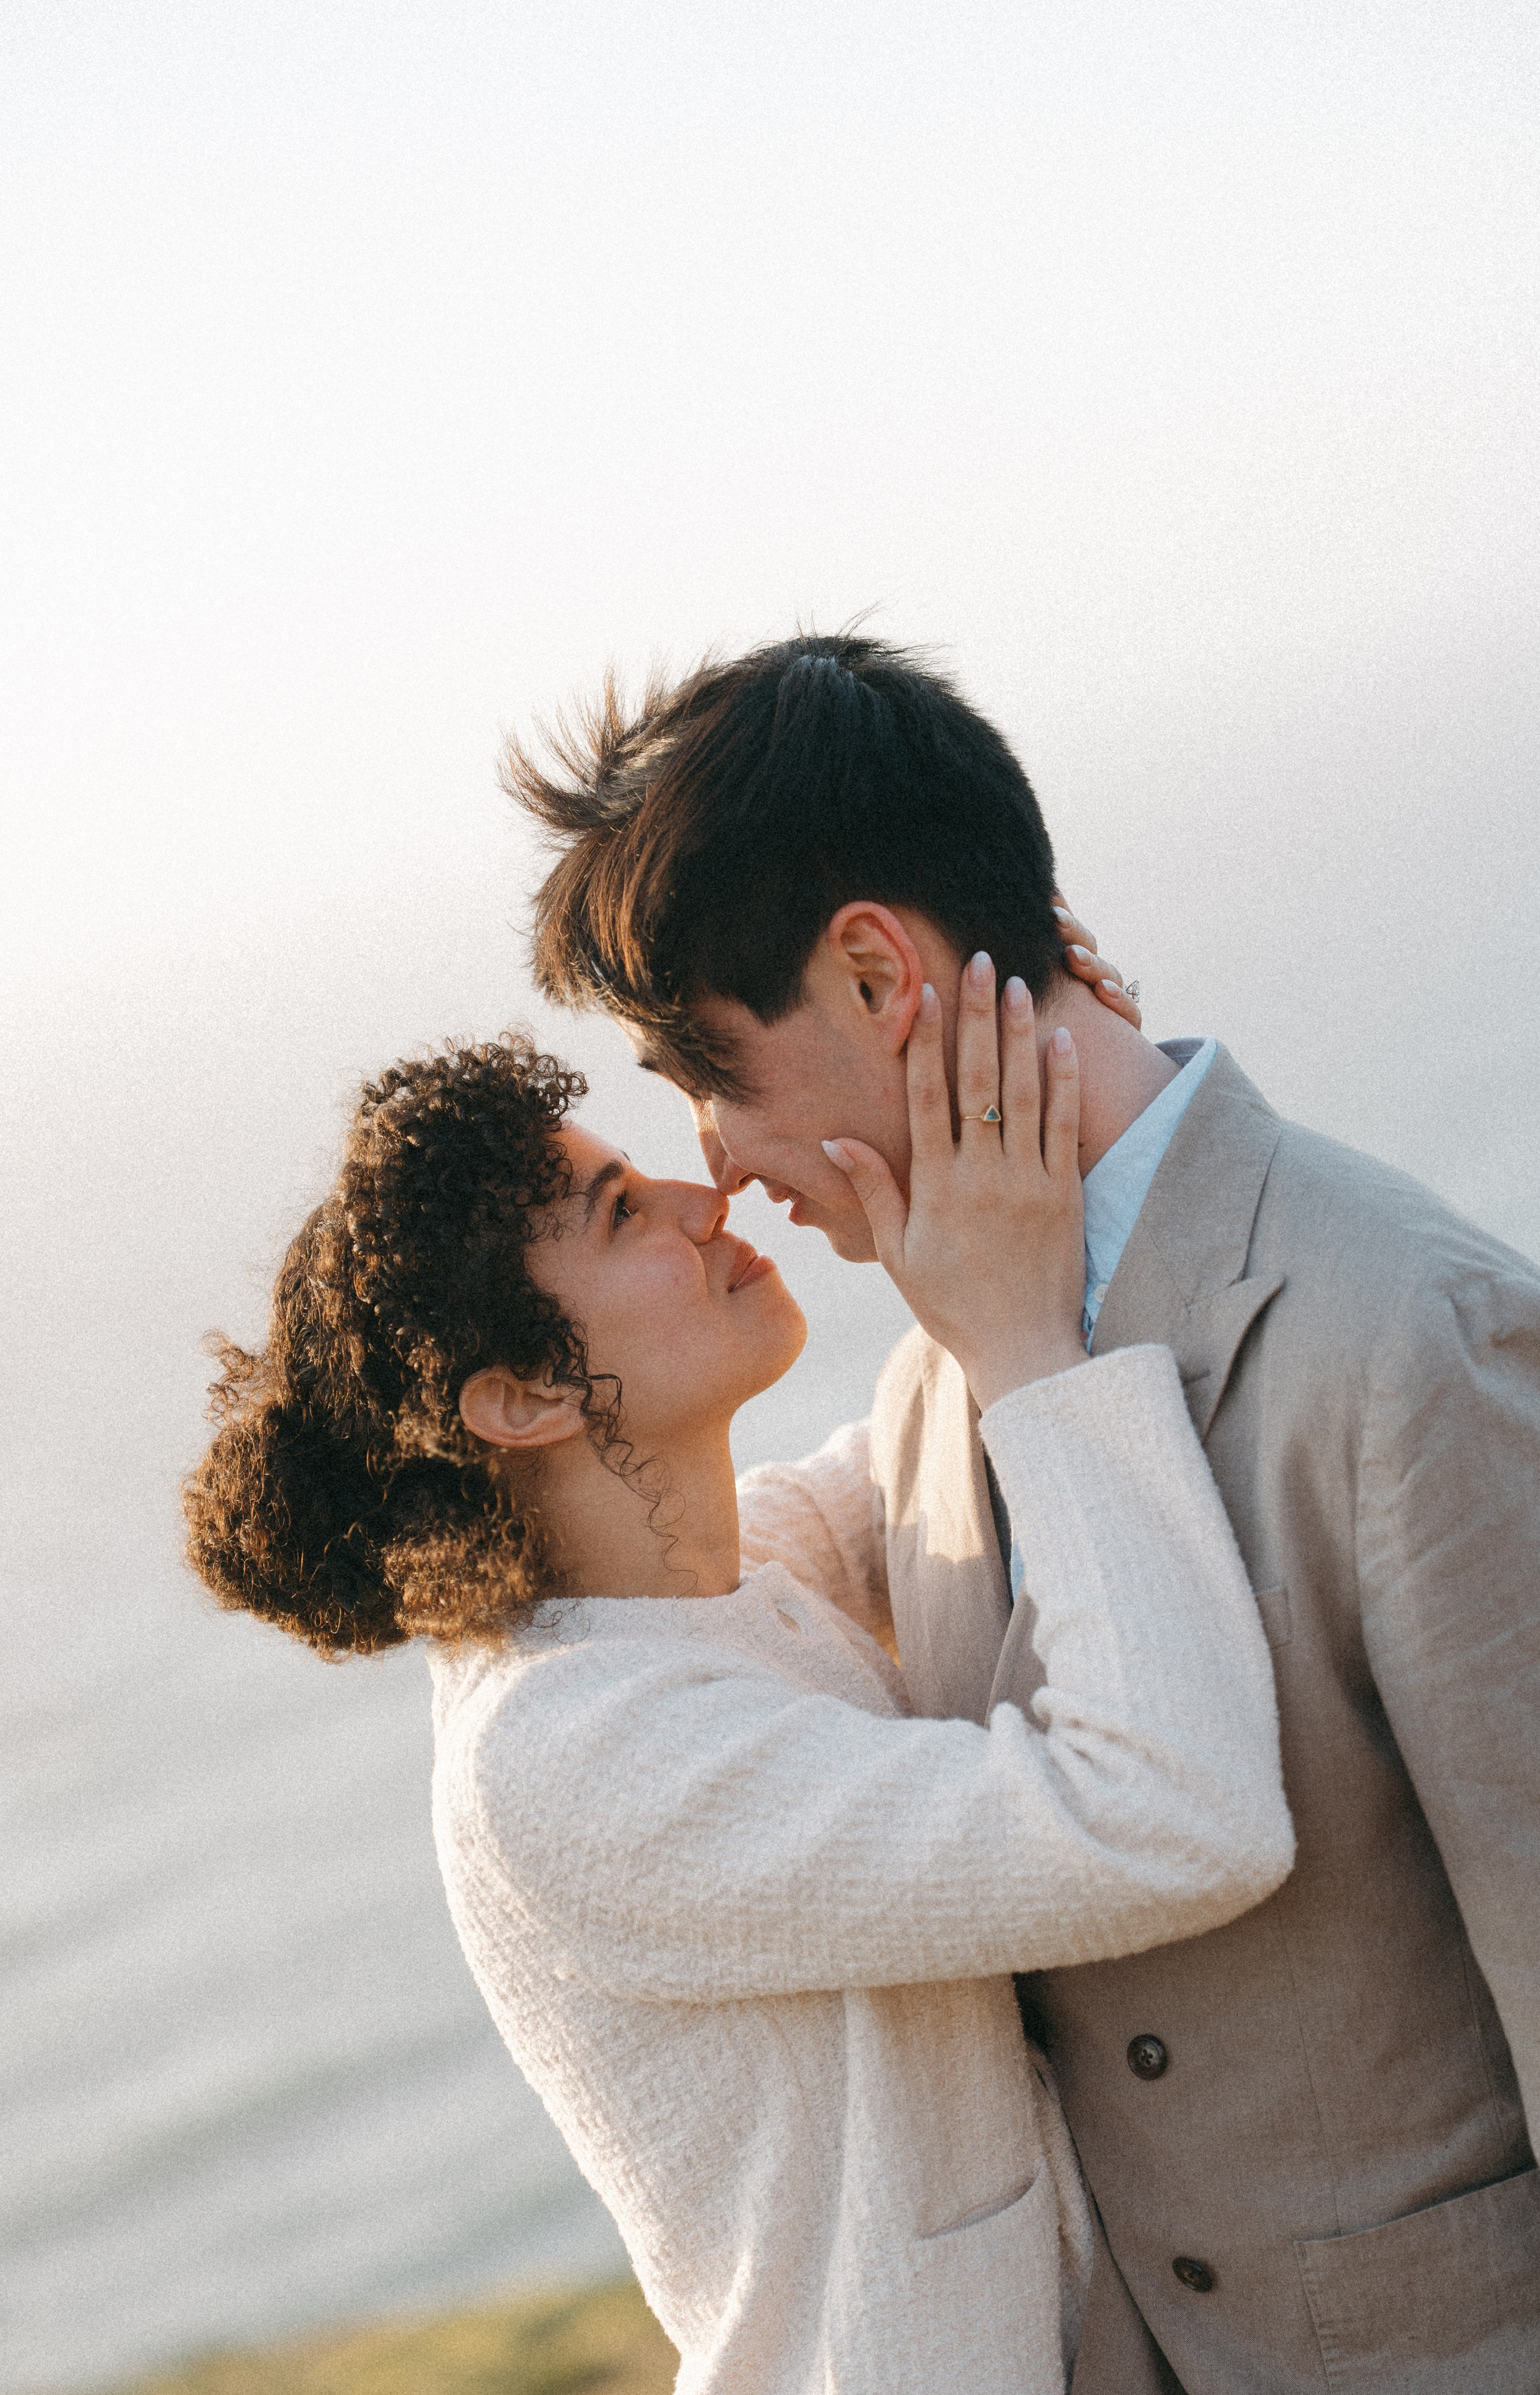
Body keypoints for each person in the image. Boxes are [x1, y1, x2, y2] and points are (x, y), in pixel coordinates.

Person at [511, 631, 1540, 2394]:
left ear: (872, 974)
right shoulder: (938, 1376)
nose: (715, 1160)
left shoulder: (1404, 1334)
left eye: (708, 1070)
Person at [183, 983, 1292, 2395]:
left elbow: (919, 1434)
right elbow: (1171, 1818)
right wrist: (1014, 1334)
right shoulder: (568, 1759)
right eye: (618, 1214)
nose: (700, 1195)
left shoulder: (704, 1587)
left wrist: (1030, 1068)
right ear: (519, 1399)